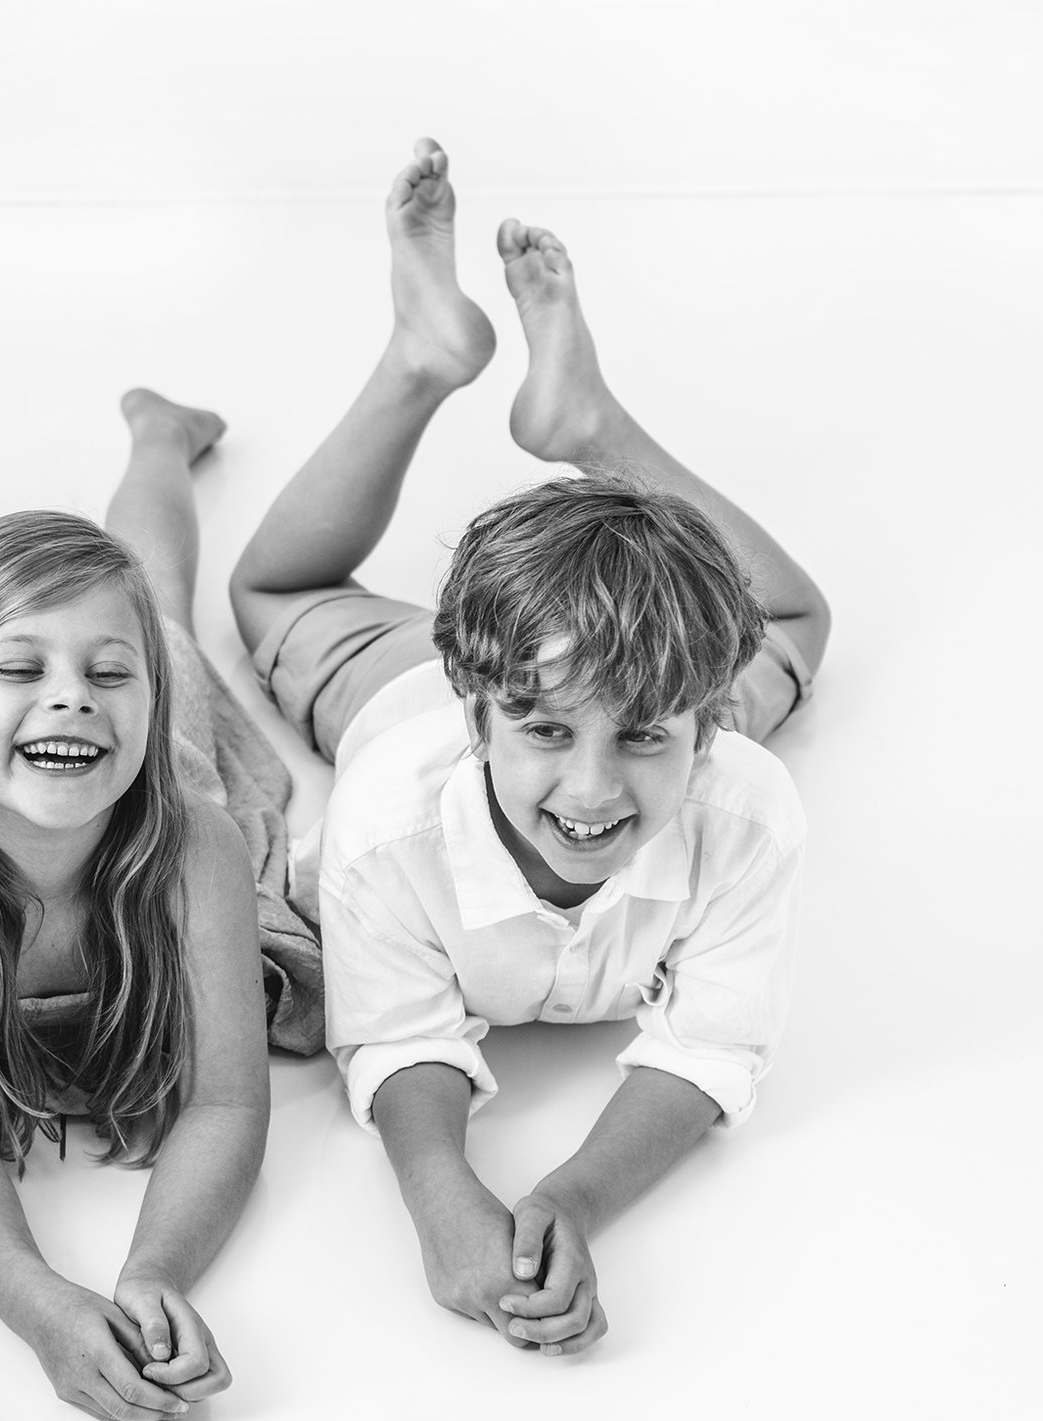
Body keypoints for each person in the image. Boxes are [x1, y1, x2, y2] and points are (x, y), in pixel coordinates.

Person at [231, 140, 832, 1356]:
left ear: (708, 721)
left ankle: (588, 423)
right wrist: (438, 1189)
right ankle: (422, 358)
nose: (594, 788)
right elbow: (395, 1029)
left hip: (629, 657)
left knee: (796, 621)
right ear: (477, 708)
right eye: (545, 735)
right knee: (269, 588)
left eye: (647, 740)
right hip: (404, 680)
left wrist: (572, 1194)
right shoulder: (391, 810)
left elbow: (712, 1041)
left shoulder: (737, 799)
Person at [0, 389, 316, 1421]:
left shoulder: (192, 850)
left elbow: (227, 1100)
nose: (73, 695)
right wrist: (39, 1305)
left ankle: (160, 437)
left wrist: (153, 1269)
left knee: (155, 598)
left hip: (144, 763)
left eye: (105, 675)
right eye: (21, 668)